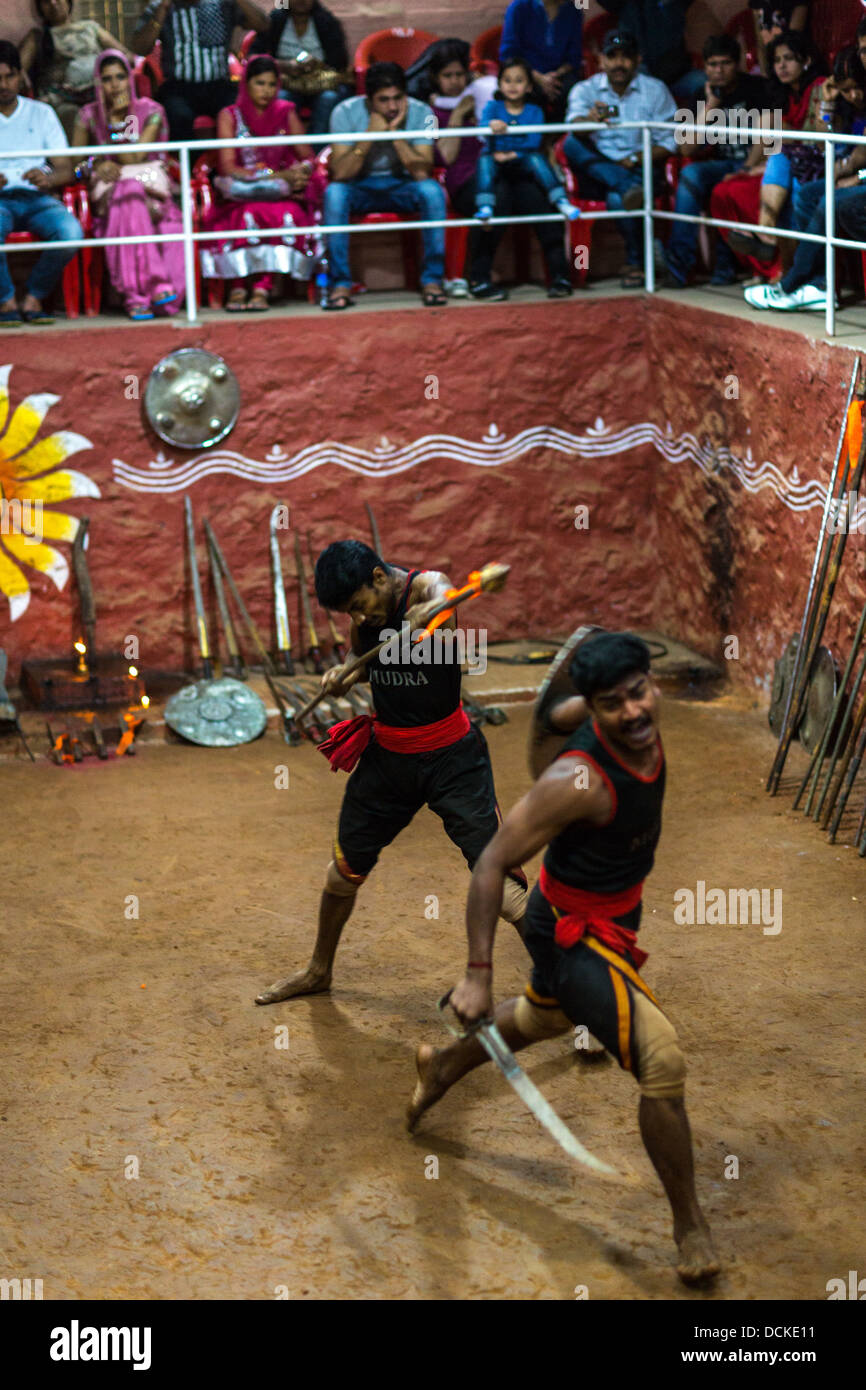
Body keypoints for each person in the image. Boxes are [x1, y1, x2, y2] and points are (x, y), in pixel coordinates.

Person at [407, 631, 720, 1288]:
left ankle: (440, 1068)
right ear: (596, 708)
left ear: (649, 682)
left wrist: (568, 702)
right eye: (613, 705)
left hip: (614, 914)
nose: (633, 713)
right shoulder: (572, 782)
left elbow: (555, 714)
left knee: (546, 1017)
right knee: (661, 1061)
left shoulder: (606, 713)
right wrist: (476, 974)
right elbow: (492, 860)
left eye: (639, 693)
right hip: (574, 934)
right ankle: (689, 1222)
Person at [255, 541, 528, 1006]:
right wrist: (342, 675)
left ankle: (576, 989)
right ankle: (319, 970)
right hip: (388, 760)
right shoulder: (365, 617)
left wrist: (429, 621)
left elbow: (449, 645)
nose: (359, 619)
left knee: (504, 891)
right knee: (342, 873)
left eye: (360, 606)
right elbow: (362, 660)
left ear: (379, 578)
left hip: (452, 759)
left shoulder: (428, 587)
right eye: (350, 614)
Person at [201, 55, 324, 311]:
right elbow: (227, 168)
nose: (266, 91)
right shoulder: (230, 116)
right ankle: (237, 287)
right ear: (246, 84)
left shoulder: (285, 112)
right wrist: (276, 176)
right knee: (246, 213)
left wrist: (300, 171)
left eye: (271, 84)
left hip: (279, 196)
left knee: (279, 212)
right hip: (241, 194)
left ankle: (262, 288)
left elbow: (308, 157)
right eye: (259, 83)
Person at [322, 62, 448, 310]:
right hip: (359, 186)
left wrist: (394, 134)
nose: (392, 107)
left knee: (433, 192)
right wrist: (370, 135)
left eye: (398, 98)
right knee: (334, 194)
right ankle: (340, 284)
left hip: (403, 185)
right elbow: (340, 174)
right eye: (383, 100)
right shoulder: (342, 112)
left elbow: (423, 172)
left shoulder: (426, 113)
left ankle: (433, 280)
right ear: (368, 100)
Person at [72, 50, 184, 321]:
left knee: (131, 191)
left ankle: (136, 297)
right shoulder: (86, 115)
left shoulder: (152, 111)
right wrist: (95, 164)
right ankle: (154, 285)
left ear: (130, 79)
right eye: (107, 79)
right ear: (98, 83)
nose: (115, 85)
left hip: (153, 195)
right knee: (128, 192)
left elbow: (134, 157)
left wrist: (117, 120)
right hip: (111, 198)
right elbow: (74, 165)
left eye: (121, 77)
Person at [563, 31, 678, 288]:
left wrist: (636, 158)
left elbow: (671, 140)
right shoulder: (586, 89)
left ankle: (635, 263)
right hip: (598, 171)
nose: (618, 63)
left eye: (626, 57)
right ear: (601, 60)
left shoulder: (654, 90)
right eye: (612, 56)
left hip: (640, 167)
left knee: (618, 198)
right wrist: (591, 120)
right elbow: (574, 126)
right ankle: (627, 188)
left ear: (638, 59)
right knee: (572, 144)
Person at [709, 30, 823, 281]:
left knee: (789, 178)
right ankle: (773, 258)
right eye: (777, 60)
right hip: (793, 160)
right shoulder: (783, 94)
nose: (781, 65)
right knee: (737, 183)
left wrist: (770, 155)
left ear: (806, 60)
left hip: (820, 161)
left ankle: (771, 246)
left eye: (789, 58)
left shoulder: (820, 88)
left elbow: (818, 140)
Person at [663, 34, 770, 287]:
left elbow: (768, 139)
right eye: (712, 65)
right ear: (705, 67)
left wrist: (746, 170)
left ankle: (725, 268)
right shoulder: (701, 94)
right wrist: (711, 106)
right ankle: (679, 269)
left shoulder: (758, 88)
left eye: (725, 63)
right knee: (691, 175)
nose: (718, 71)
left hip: (758, 164)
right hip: (722, 165)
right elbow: (686, 148)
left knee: (726, 188)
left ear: (737, 64)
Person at [0, 40, 82, 326]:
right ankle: (5, 300)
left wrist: (46, 179)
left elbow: (66, 170)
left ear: (20, 75)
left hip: (37, 199)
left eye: (9, 76)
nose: (3, 84)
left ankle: (34, 296)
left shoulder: (41, 113)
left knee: (71, 233)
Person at [131, 0, 268, 143]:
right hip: (178, 87)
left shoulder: (223, 3)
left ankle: (231, 163)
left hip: (219, 85)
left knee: (237, 110)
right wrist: (161, 12)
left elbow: (263, 24)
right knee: (178, 115)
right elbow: (140, 48)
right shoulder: (161, 5)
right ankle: (188, 163)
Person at [475, 57, 578, 224]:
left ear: (529, 86)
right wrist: (490, 125)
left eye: (519, 80)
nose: (513, 85)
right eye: (507, 80)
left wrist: (513, 154)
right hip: (496, 156)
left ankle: (561, 200)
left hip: (523, 157)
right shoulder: (492, 107)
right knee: (484, 161)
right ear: (500, 84)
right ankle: (485, 205)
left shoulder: (535, 111)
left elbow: (533, 141)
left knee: (537, 159)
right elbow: (482, 129)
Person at [18, 0, 129, 139]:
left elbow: (124, 56)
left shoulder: (90, 28)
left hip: (98, 93)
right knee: (72, 114)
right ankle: (78, 159)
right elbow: (16, 70)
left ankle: (121, 151)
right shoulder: (38, 37)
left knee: (118, 105)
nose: (53, 3)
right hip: (61, 99)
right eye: (46, 1)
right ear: (40, 9)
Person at [427, 41, 485, 297]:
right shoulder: (429, 114)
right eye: (447, 75)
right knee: (486, 203)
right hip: (459, 180)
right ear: (435, 79)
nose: (454, 81)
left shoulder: (482, 102)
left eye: (459, 74)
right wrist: (458, 116)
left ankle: (565, 275)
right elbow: (445, 157)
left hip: (492, 171)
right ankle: (472, 277)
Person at [249, 0, 351, 137]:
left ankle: (316, 150)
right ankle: (285, 147)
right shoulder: (276, 20)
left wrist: (315, 65)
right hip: (286, 81)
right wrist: (284, 66)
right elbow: (254, 56)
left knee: (329, 98)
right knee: (282, 97)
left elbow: (340, 62)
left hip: (320, 83)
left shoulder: (326, 21)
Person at [596, 0, 705, 109]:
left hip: (676, 71)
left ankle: (690, 123)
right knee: (639, 86)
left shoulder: (674, 4)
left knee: (703, 84)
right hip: (639, 69)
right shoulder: (625, 4)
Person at [500, 0, 583, 123]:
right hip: (527, 71)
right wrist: (538, 78)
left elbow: (574, 56)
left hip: (559, 75)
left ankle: (558, 139)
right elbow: (508, 53)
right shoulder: (519, 7)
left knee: (573, 91)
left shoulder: (574, 9)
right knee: (524, 90)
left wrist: (554, 76)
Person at [749, 0, 809, 76]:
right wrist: (765, 74)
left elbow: (793, 39)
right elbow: (760, 42)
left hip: (796, 60)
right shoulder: (757, 3)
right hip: (773, 62)